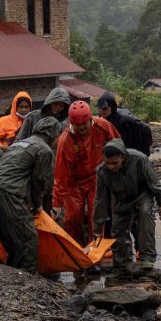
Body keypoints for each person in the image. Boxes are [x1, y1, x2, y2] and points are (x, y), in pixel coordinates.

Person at [0, 117, 62, 273]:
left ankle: (13, 272)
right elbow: (39, 181)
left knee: (11, 237)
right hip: (10, 193)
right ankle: (27, 278)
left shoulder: (20, 143)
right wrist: (38, 205)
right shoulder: (44, 149)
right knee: (28, 238)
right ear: (54, 135)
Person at [53, 100, 120, 246]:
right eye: (78, 125)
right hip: (73, 182)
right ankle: (77, 250)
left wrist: (118, 173)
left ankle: (95, 249)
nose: (82, 127)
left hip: (96, 178)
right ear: (71, 123)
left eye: (85, 123)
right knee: (72, 218)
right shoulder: (65, 141)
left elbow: (118, 146)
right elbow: (61, 174)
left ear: (90, 119)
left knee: (95, 216)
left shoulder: (103, 125)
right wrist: (56, 204)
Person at [94, 139, 161, 271]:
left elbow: (154, 182)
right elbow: (100, 200)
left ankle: (147, 257)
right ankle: (123, 262)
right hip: (120, 198)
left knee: (145, 215)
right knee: (117, 229)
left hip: (142, 194)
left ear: (123, 157)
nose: (111, 167)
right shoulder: (102, 171)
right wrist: (97, 228)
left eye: (115, 163)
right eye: (108, 163)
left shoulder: (139, 159)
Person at [96, 91, 153, 156]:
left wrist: (143, 152)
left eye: (104, 108)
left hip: (130, 149)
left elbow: (145, 128)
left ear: (112, 107)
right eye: (99, 108)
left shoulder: (126, 119)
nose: (101, 111)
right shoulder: (101, 120)